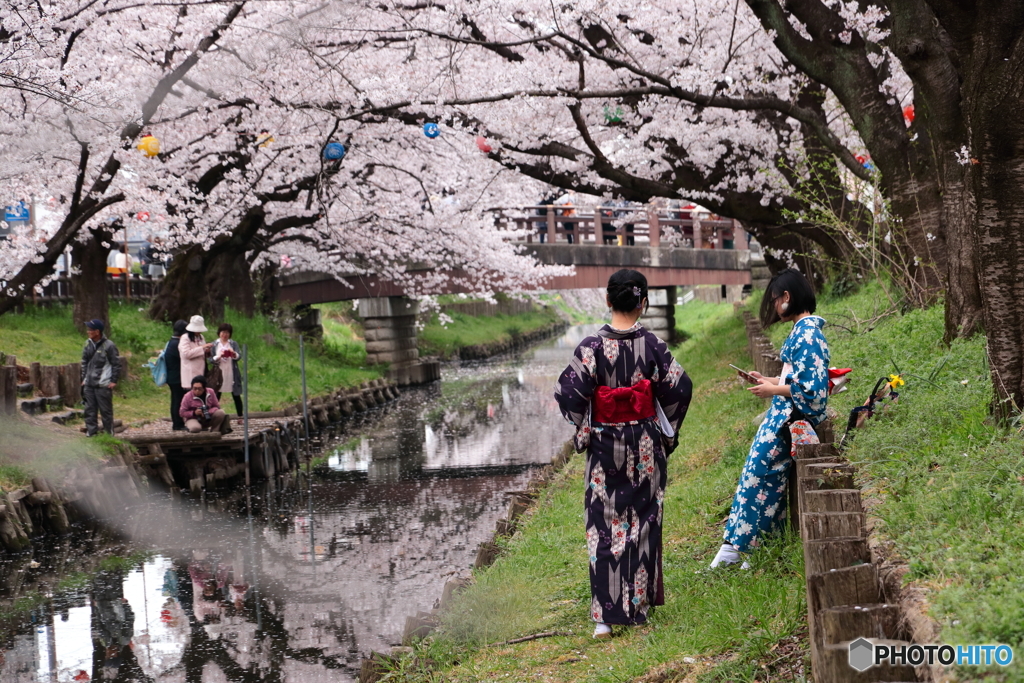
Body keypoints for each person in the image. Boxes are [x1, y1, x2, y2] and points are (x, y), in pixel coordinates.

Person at [554, 269, 693, 639]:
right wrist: (665, 433)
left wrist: (586, 426)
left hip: (604, 445)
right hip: (646, 441)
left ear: (608, 301)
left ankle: (605, 616)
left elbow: (567, 396)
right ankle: (638, 607)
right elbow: (680, 388)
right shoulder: (652, 345)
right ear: (643, 303)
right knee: (644, 518)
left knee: (604, 522)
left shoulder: (591, 347)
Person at [711, 268, 830, 569]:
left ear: (787, 297)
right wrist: (768, 379)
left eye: (776, 299)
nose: (775, 306)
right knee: (756, 476)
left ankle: (742, 549)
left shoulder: (809, 333)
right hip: (781, 416)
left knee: (759, 477)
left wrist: (773, 389)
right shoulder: (802, 331)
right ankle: (743, 546)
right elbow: (796, 377)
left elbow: (813, 388)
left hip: (789, 420)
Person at [81, 319, 120, 436]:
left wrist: (113, 380)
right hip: (89, 384)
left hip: (103, 384)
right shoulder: (87, 344)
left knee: (106, 411)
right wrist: (84, 378)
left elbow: (116, 364)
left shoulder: (109, 346)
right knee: (89, 410)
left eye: (90, 329)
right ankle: (91, 433)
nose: (88, 331)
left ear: (97, 332)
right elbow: (84, 362)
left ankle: (109, 434)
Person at [212, 323, 244, 417]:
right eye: (223, 332)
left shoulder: (233, 344)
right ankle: (214, 415)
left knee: (236, 395)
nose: (225, 334)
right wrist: (219, 356)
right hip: (219, 372)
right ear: (219, 333)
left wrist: (233, 354)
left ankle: (240, 416)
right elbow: (211, 359)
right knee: (217, 394)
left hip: (231, 371)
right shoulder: (214, 344)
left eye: (227, 332)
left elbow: (238, 356)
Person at [179, 315, 213, 394]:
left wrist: (207, 351)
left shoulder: (201, 337)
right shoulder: (185, 338)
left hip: (201, 369)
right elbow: (186, 354)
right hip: (190, 371)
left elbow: (202, 352)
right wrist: (202, 348)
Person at [166, 320, 187, 430]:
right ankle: (177, 423)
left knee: (176, 399)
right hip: (176, 377)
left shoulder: (172, 342)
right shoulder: (176, 344)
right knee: (177, 400)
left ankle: (178, 422)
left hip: (173, 376)